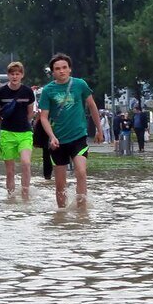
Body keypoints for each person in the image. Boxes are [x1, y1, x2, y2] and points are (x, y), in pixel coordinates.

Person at [38, 53, 103, 208]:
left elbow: (92, 106)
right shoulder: (48, 90)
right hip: (58, 141)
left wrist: (99, 130)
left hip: (78, 137)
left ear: (70, 69)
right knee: (60, 184)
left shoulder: (80, 84)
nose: (61, 71)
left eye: (64, 67)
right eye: (57, 69)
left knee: (81, 172)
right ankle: (61, 214)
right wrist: (52, 136)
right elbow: (44, 117)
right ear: (52, 72)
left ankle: (81, 210)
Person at [0, 61, 35, 198]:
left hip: (25, 133)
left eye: (17, 74)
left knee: (26, 162)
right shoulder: (0, 92)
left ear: (22, 75)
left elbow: (30, 113)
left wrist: (23, 123)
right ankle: (10, 197)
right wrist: (5, 126)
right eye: (12, 74)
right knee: (10, 171)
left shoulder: (28, 92)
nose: (15, 77)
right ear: (8, 75)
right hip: (7, 133)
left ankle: (25, 194)